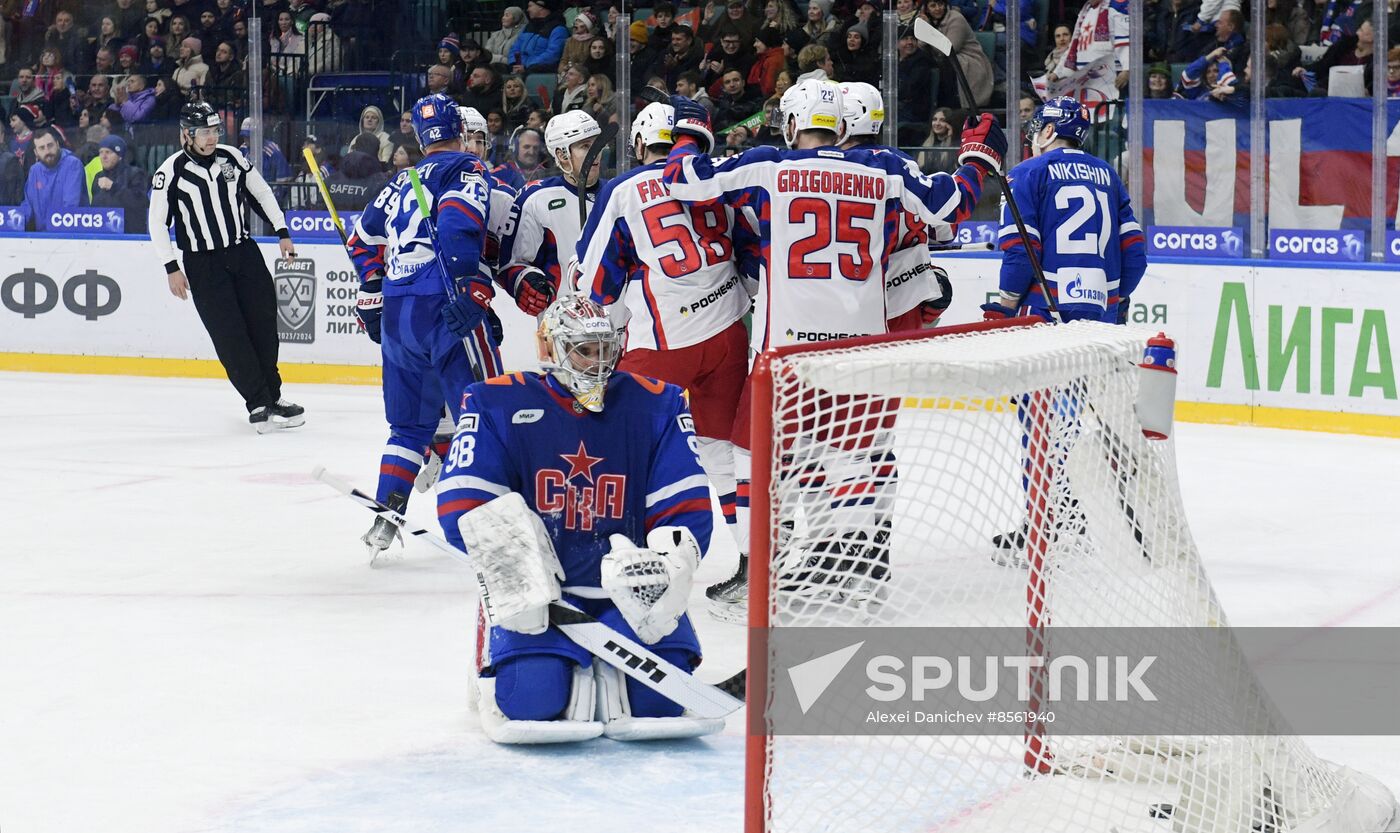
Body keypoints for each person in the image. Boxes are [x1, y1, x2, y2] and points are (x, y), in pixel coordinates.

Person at [661, 80, 1003, 612]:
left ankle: (759, 570)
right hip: (859, 351)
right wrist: (978, 156)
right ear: (841, 126)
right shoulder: (883, 168)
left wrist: (691, 130)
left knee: (754, 458)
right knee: (852, 458)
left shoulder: (769, 164)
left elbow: (682, 180)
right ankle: (854, 569)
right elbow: (949, 208)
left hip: (787, 357)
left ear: (793, 125)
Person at [436, 294, 717, 743]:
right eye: (584, 350)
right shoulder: (494, 401)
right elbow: (462, 498)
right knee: (533, 700)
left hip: (629, 588)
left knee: (657, 703)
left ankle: (618, 653)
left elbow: (683, 498)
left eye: (605, 349)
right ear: (549, 348)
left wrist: (669, 563)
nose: (596, 362)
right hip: (546, 597)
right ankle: (492, 641)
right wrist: (512, 566)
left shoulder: (657, 403)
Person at [577, 102, 756, 593]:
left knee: (625, 451)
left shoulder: (623, 189)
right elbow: (751, 255)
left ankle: (626, 562)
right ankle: (748, 561)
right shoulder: (718, 176)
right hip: (728, 336)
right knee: (721, 451)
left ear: (639, 144)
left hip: (661, 345)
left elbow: (595, 286)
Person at [981, 97, 1146, 556]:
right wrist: (1112, 303)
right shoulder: (1108, 176)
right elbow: (1136, 255)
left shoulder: (1027, 173)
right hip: (1094, 321)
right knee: (1068, 419)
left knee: (1040, 420)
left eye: (1038, 127)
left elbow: (1019, 252)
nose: (1034, 135)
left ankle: (1046, 522)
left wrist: (1005, 305)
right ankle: (1068, 513)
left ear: (1051, 131)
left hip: (1042, 314)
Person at [346, 93, 502, 560]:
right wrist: (468, 285)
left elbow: (361, 240)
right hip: (444, 304)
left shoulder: (401, 180)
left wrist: (373, 288)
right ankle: (485, 523)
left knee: (409, 427)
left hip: (398, 312)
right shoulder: (466, 169)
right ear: (460, 129)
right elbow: (457, 226)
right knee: (480, 417)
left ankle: (385, 517)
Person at [146, 102, 305, 432]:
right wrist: (171, 267)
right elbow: (157, 223)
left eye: (215, 130)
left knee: (263, 324)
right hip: (204, 264)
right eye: (204, 132)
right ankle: (258, 401)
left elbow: (260, 191)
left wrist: (282, 231)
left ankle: (273, 396)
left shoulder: (232, 157)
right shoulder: (170, 170)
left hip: (244, 252)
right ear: (186, 135)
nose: (211, 138)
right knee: (229, 333)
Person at [497, 111, 603, 312]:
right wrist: (523, 279)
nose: (595, 153)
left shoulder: (617, 193)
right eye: (585, 146)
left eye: (597, 144)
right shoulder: (536, 198)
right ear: (562, 155)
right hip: (564, 326)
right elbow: (511, 263)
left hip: (620, 324)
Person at [17, 127, 86, 232]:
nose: (47, 151)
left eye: (50, 145)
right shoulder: (34, 170)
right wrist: (14, 220)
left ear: (57, 144)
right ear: (36, 152)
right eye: (42, 148)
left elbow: (70, 206)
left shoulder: (72, 164)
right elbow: (28, 205)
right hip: (42, 237)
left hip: (69, 235)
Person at [89, 134, 150, 233]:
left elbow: (141, 203)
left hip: (129, 236)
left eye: (108, 152)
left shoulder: (135, 174)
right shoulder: (98, 177)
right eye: (101, 152)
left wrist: (113, 187)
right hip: (101, 235)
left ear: (120, 156)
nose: (103, 157)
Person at [509, 0, 567, 75]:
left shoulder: (558, 29)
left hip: (541, 70)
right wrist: (516, 64)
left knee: (534, 69)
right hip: (521, 67)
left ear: (540, 7)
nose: (527, 9)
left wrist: (526, 66)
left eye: (530, 6)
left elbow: (552, 54)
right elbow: (515, 48)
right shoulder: (528, 27)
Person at [491, 124, 551, 192]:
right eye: (526, 147)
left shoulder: (546, 174)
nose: (531, 152)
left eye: (535, 148)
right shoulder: (499, 174)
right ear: (516, 148)